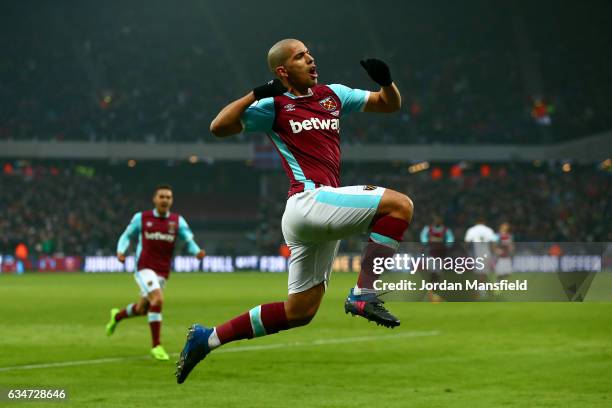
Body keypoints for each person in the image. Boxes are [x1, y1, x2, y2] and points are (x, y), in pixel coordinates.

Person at [176, 38, 414, 383]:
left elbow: (387, 105)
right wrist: (256, 94)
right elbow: (219, 127)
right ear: (283, 71)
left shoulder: (333, 95)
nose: (312, 59)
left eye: (310, 54)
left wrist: (386, 82)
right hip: (308, 202)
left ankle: (208, 337)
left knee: (299, 312)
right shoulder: (274, 106)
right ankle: (364, 293)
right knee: (400, 205)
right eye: (301, 57)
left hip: (317, 212)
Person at [105, 184, 205, 361]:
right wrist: (121, 250)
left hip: (163, 271)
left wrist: (196, 251)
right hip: (144, 267)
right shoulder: (142, 218)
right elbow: (126, 235)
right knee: (157, 299)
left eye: (168, 197)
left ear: (171, 200)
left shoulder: (177, 221)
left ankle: (117, 316)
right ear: (155, 199)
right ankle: (156, 345)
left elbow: (189, 240)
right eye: (162, 197)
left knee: (143, 308)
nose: (165, 200)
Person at [420, 215, 454, 302]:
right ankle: (431, 293)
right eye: (436, 219)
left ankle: (433, 293)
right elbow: (423, 238)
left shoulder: (446, 230)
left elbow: (451, 240)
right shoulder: (428, 228)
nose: (437, 221)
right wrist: (428, 242)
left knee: (438, 275)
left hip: (441, 255)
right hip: (431, 254)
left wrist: (444, 244)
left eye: (439, 219)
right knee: (432, 274)